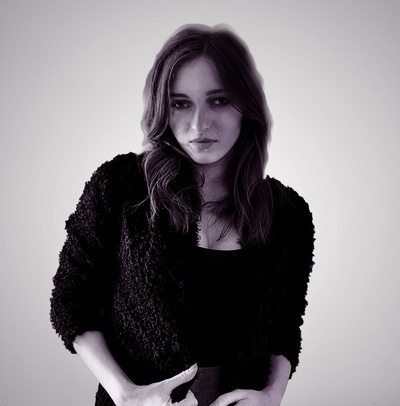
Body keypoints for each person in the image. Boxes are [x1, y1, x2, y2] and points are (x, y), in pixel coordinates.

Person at [50, 24, 315, 406]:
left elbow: (286, 328)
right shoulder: (121, 187)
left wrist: (272, 395)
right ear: (163, 108)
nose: (199, 125)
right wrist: (126, 394)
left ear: (247, 106)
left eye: (219, 100)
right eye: (180, 104)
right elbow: (71, 301)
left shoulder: (288, 214)